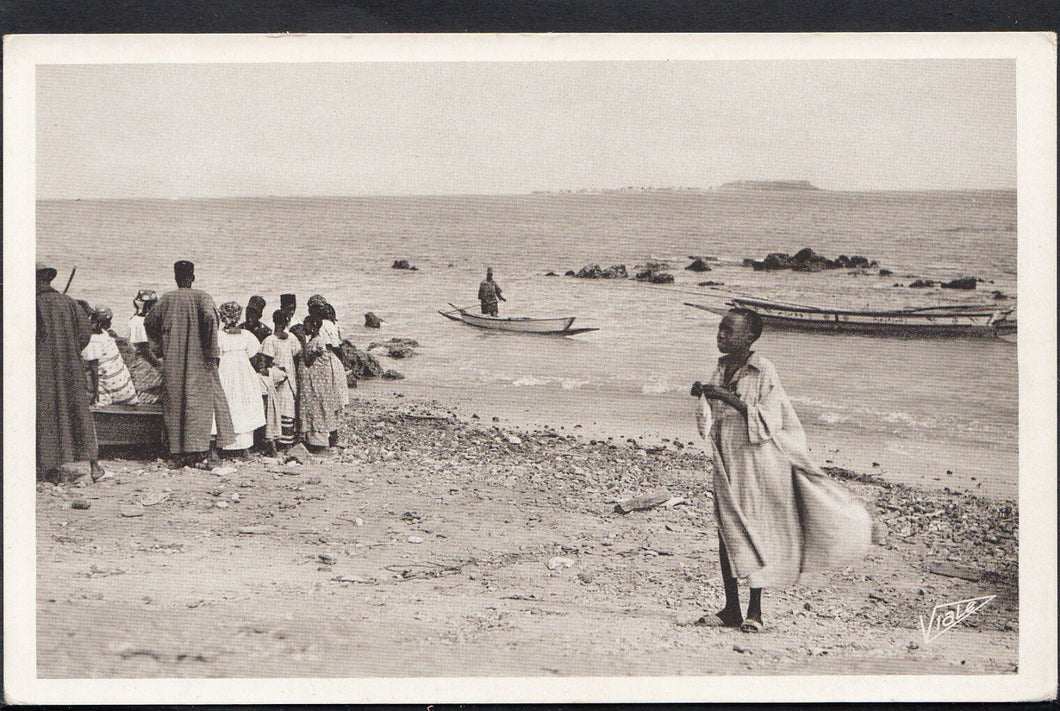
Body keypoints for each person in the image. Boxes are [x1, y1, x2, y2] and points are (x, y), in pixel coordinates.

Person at [691, 308, 871, 633]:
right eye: (720, 328)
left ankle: (754, 611)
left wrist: (727, 399)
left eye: (728, 330)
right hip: (727, 460)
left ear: (749, 338)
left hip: (756, 463)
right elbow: (714, 416)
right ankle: (731, 607)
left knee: (756, 531)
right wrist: (705, 393)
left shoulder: (764, 371)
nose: (720, 335)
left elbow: (770, 421)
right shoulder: (720, 367)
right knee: (727, 532)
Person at [144, 260, 234, 468]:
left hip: (173, 359)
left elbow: (149, 322)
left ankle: (176, 452)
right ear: (192, 277)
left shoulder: (166, 299)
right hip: (199, 359)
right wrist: (211, 352)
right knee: (198, 403)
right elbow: (211, 321)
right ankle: (197, 451)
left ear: (176, 278)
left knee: (175, 402)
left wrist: (159, 349)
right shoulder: (202, 297)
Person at [36, 262, 105, 482]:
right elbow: (85, 334)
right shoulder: (69, 303)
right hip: (72, 367)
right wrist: (70, 351)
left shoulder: (32, 303)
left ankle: (50, 469)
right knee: (79, 412)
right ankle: (94, 466)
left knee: (47, 413)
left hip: (43, 368)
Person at [216, 302, 268, 456]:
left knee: (228, 403)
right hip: (244, 373)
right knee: (243, 403)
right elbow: (254, 358)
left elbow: (216, 358)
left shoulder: (219, 336)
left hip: (225, 371)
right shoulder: (247, 335)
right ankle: (244, 447)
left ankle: (226, 445)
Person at [297, 314, 340, 451]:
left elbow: (309, 361)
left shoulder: (318, 342)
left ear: (314, 326)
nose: (304, 327)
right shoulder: (313, 342)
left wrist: (302, 342)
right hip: (312, 383)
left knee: (319, 409)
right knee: (316, 409)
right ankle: (315, 439)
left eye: (307, 325)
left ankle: (320, 441)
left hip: (318, 383)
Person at [309, 296, 348, 447]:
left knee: (324, 397)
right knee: (333, 398)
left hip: (325, 362)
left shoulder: (321, 326)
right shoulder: (332, 324)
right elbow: (338, 347)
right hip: (334, 362)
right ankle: (333, 433)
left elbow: (324, 347)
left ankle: (327, 434)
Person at [81, 306, 139, 406]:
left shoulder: (102, 333)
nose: (111, 324)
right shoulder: (94, 341)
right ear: (102, 323)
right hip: (108, 379)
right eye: (109, 321)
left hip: (116, 378)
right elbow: (94, 369)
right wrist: (96, 393)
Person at [261, 309, 302, 449]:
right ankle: (287, 441)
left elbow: (266, 362)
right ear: (287, 322)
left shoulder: (269, 340)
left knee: (274, 410)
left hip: (276, 379)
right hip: (290, 378)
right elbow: (297, 356)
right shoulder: (292, 338)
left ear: (274, 321)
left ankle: (276, 442)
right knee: (288, 410)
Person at [121, 289, 163, 404]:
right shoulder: (140, 322)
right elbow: (144, 348)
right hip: (144, 361)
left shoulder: (137, 319)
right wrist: (159, 365)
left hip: (144, 359)